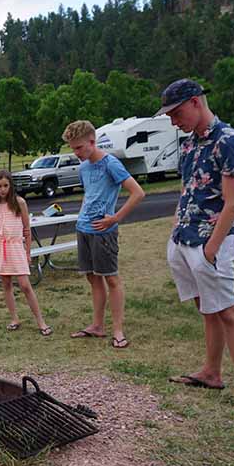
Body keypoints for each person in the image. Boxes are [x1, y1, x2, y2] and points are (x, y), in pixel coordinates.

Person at [158, 79, 234, 416]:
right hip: (183, 238)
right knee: (206, 306)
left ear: (196, 102)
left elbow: (232, 205)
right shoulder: (189, 145)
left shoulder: (229, 141)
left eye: (176, 113)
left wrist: (211, 250)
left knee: (228, 311)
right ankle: (212, 372)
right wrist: (174, 233)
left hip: (210, 242)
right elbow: (186, 191)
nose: (174, 121)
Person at [62, 120, 145, 349]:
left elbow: (138, 193)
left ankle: (118, 330)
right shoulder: (84, 167)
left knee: (112, 279)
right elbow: (91, 195)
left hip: (104, 231)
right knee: (92, 278)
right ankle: (97, 326)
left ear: (92, 141)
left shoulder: (111, 164)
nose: (76, 153)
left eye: (79, 148)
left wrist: (115, 218)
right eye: (73, 148)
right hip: (84, 228)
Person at [0, 170, 52, 335]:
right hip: (1, 248)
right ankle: (14, 318)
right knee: (6, 284)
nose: (2, 189)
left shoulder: (19, 203)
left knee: (25, 285)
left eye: (6, 185)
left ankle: (41, 321)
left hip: (16, 247)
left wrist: (28, 253)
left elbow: (26, 229)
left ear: (11, 186)